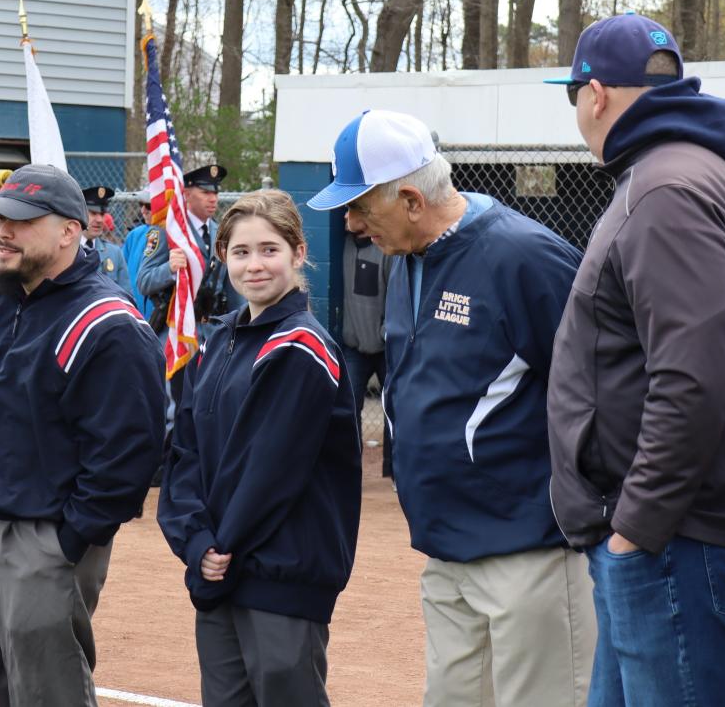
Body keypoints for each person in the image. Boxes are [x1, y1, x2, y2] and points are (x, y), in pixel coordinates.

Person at [307, 109, 595, 706]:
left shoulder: (524, 257)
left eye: (360, 206)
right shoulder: (409, 257)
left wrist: (591, 512)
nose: (354, 224)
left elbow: (603, 392)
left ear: (411, 199)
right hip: (446, 547)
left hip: (529, 552)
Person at [545, 13, 725, 707]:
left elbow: (692, 381)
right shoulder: (669, 175)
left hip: (675, 538)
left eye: (572, 97)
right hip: (667, 535)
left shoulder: (666, 190)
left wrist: (633, 532)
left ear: (594, 94)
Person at [0, 164, 164, 704]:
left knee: (46, 693)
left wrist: (69, 540)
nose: (4, 230)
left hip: (45, 532)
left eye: (23, 221)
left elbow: (129, 453)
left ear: (70, 232)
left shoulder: (109, 322)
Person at [157, 190, 360, 706]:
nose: (254, 265)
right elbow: (186, 452)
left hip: (280, 574)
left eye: (269, 249)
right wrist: (195, 542)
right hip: (218, 568)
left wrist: (219, 547)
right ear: (222, 257)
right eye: (241, 252)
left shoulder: (303, 345)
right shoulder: (217, 339)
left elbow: (270, 467)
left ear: (298, 253)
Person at [136, 164, 245, 345]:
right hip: (175, 335)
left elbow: (233, 290)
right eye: (205, 193)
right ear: (186, 194)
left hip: (213, 333)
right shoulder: (167, 231)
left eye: (215, 193)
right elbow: (144, 281)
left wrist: (240, 331)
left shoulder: (222, 234)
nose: (213, 199)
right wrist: (170, 269)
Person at [341, 226, 392, 477]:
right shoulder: (343, 246)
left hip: (384, 348)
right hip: (353, 348)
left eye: (354, 211)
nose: (347, 217)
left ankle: (393, 471)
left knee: (395, 407)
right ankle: (351, 472)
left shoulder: (387, 250)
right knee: (348, 407)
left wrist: (385, 331)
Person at [80, 185, 131, 293]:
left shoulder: (114, 253)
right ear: (80, 213)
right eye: (93, 213)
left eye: (102, 214)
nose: (99, 220)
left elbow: (126, 294)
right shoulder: (67, 249)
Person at [121, 189, 154, 317]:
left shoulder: (177, 238)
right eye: (141, 205)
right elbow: (122, 277)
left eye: (148, 206)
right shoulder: (134, 236)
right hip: (132, 315)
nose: (143, 211)